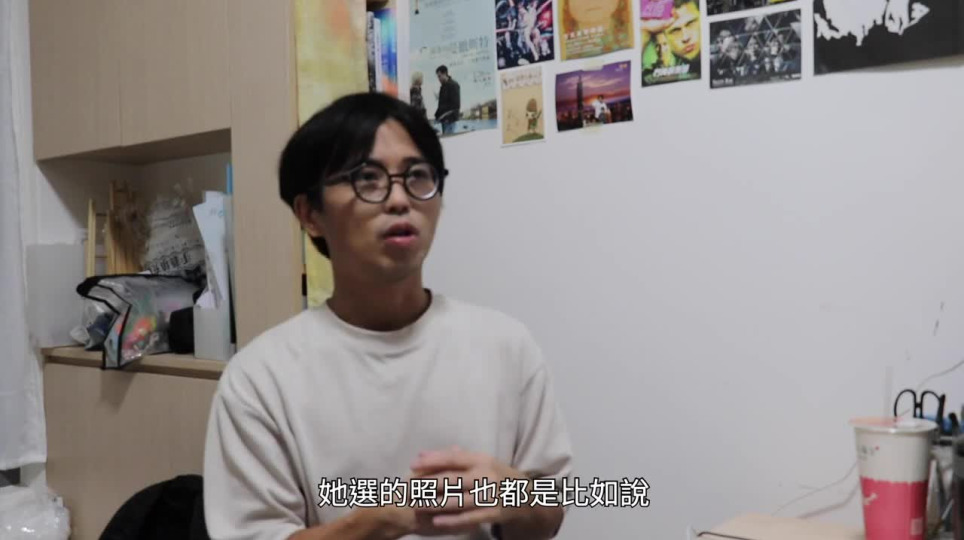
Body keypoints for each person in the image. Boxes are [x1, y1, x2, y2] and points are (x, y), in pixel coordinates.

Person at [203, 92, 573, 540]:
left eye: (417, 176)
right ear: (310, 214)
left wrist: (514, 495)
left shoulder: (506, 346)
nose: (400, 199)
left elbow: (549, 516)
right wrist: (384, 519)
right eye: (367, 178)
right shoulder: (260, 379)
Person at [640, 0, 702, 85]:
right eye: (675, 31)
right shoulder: (656, 76)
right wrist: (646, 31)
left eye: (691, 24)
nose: (685, 37)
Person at [434, 65, 461, 135]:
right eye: (438, 77)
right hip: (444, 121)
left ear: (445, 73)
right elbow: (441, 104)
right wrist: (437, 115)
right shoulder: (443, 87)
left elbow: (456, 105)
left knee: (449, 140)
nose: (438, 79)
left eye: (439, 76)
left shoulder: (454, 85)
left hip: (450, 120)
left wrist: (443, 115)